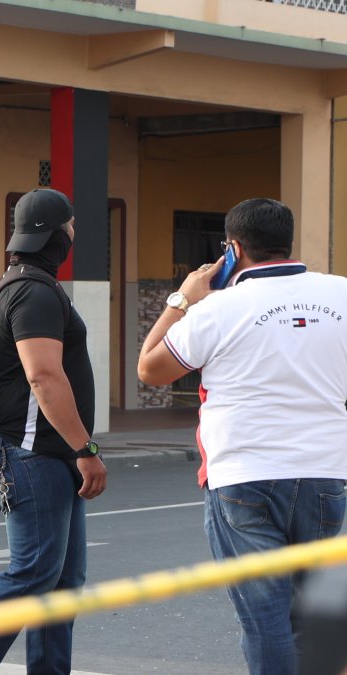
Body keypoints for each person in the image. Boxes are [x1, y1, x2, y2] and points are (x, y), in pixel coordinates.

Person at [137, 197, 347, 675]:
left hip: (243, 477)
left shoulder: (218, 308)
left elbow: (150, 368)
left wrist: (182, 299)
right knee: (313, 617)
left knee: (264, 619)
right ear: (287, 242)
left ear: (232, 249)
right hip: (325, 474)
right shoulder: (341, 294)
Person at [0, 188, 107, 675]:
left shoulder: (23, 283)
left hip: (47, 454)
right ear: (55, 233)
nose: (74, 233)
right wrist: (85, 448)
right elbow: (43, 376)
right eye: (70, 226)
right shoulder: (33, 291)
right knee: (33, 572)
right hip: (32, 452)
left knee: (61, 582)